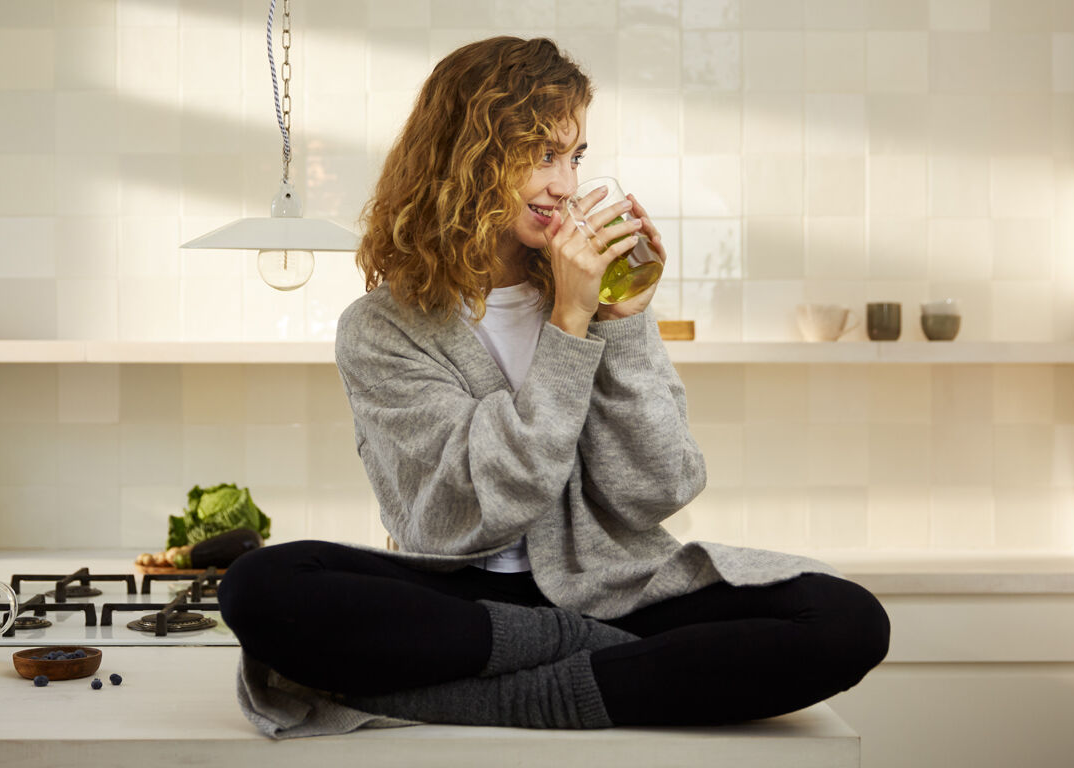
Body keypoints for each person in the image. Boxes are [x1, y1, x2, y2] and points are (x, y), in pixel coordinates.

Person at [218, 36, 889, 738]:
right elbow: (466, 515)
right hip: (458, 598)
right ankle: (585, 663)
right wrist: (568, 330)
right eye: (542, 155)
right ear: (470, 158)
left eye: (575, 157)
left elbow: (658, 489)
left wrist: (619, 324)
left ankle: (497, 696)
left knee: (846, 620)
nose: (566, 185)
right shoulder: (382, 329)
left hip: (608, 589)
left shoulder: (594, 294)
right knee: (262, 588)